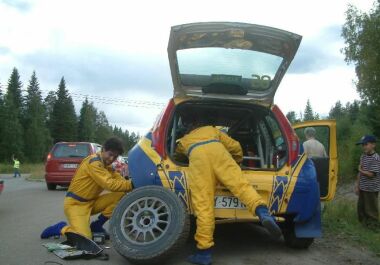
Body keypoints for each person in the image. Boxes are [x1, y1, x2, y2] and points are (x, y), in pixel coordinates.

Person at [176, 114, 281, 265]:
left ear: (188, 128)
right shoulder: (212, 130)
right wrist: (236, 162)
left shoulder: (183, 141)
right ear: (200, 124)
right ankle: (263, 213)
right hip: (220, 155)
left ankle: (204, 254)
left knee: (204, 206)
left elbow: (176, 157)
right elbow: (236, 147)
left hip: (199, 162)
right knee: (242, 186)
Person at [40, 137, 133, 239]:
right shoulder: (94, 163)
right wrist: (132, 184)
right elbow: (110, 184)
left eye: (115, 157)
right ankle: (60, 228)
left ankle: (96, 226)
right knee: (84, 237)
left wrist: (134, 184)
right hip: (75, 204)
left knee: (121, 195)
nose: (111, 159)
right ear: (103, 149)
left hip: (91, 202)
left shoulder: (107, 166)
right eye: (110, 154)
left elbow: (120, 181)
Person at [354, 135, 380, 229]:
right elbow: (359, 172)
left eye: (366, 144)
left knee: (371, 209)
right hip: (363, 187)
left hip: (372, 188)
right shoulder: (363, 156)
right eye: (362, 145)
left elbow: (371, 174)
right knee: (361, 207)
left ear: (373, 145)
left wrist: (360, 170)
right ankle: (364, 225)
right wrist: (357, 186)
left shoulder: (376, 158)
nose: (364, 147)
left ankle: (374, 226)